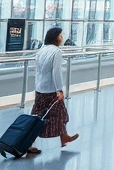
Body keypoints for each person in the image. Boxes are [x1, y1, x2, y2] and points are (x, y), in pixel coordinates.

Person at [29, 27, 79, 155]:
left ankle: (63, 137)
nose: (62, 38)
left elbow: (38, 71)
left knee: (38, 115)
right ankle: (30, 142)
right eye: (60, 36)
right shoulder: (56, 52)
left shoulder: (42, 50)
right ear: (56, 37)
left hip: (40, 89)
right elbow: (56, 72)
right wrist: (59, 90)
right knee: (55, 115)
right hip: (51, 90)